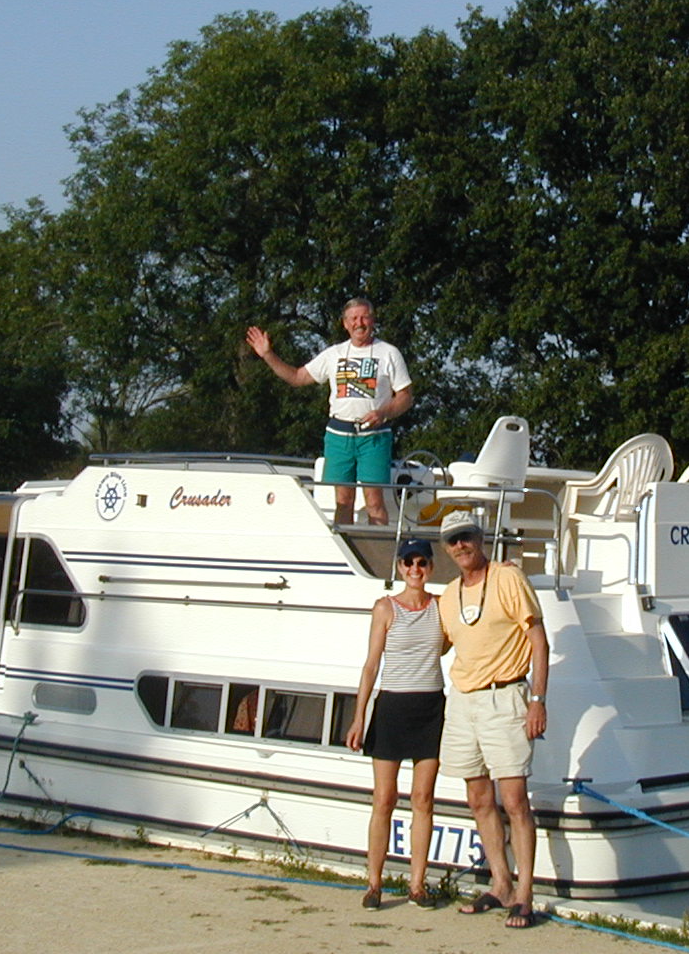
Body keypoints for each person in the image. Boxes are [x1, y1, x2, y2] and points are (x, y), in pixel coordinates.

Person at [434, 510, 549, 929]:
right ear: (445, 548)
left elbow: (539, 640)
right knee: (479, 800)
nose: (460, 546)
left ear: (479, 538)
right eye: (452, 540)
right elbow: (442, 642)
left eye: (466, 537)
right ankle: (500, 883)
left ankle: (525, 894)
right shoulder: (447, 595)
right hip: (463, 702)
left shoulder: (508, 578)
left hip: (507, 697)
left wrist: (538, 700)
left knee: (516, 801)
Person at [246, 298, 413, 526]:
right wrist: (268, 355)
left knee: (374, 501)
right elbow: (297, 377)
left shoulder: (389, 353)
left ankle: (378, 552)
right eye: (353, 318)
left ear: (372, 320)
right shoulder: (334, 353)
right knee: (343, 501)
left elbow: (405, 396)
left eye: (364, 317)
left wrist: (383, 412)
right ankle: (346, 552)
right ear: (345, 324)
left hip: (374, 437)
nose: (359, 323)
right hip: (339, 435)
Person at [346, 537, 447, 910]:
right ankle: (374, 883)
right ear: (400, 567)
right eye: (409, 563)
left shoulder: (441, 606)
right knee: (384, 799)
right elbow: (371, 664)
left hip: (430, 707)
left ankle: (417, 885)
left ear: (431, 567)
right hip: (391, 708)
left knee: (423, 799)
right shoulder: (385, 608)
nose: (415, 570)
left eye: (422, 562)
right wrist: (359, 717)